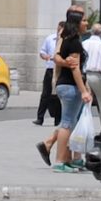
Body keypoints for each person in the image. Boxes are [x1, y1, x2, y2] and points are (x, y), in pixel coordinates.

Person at [39, 16, 84, 169]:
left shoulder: (65, 41)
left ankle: (66, 156)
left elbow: (57, 58)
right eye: (84, 21)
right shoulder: (74, 43)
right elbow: (75, 68)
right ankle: (60, 161)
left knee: (70, 122)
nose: (86, 23)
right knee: (67, 124)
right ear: (77, 24)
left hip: (64, 85)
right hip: (70, 86)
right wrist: (84, 90)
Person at [34, 21, 62, 128]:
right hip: (50, 69)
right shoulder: (50, 39)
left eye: (61, 30)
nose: (59, 32)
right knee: (45, 94)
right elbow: (42, 52)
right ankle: (40, 118)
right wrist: (45, 56)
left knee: (58, 95)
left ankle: (57, 119)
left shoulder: (65, 41)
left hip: (59, 70)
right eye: (58, 29)